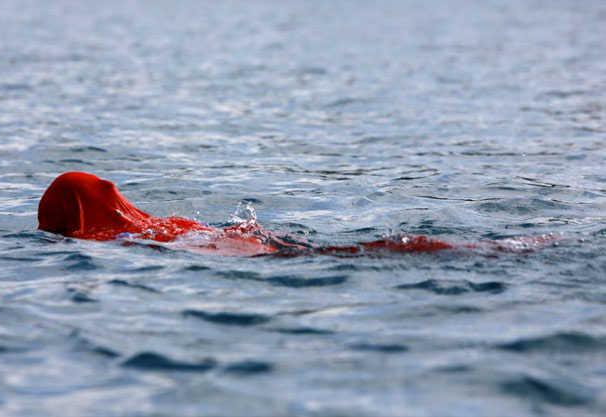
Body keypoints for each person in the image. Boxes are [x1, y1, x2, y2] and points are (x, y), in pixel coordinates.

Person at [37, 172, 556, 256]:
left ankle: (492, 250)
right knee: (356, 250)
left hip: (228, 252)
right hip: (235, 236)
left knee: (358, 254)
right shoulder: (156, 220)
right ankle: (500, 247)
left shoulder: (115, 244)